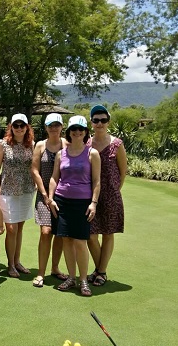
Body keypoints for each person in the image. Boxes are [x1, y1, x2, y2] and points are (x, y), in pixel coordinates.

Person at [48, 115, 101, 297]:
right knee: (66, 240)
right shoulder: (61, 154)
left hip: (82, 203)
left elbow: (96, 181)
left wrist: (93, 203)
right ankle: (71, 277)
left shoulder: (91, 153)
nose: (77, 132)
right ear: (69, 132)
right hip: (62, 201)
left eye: (81, 129)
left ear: (86, 132)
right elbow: (55, 178)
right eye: (73, 129)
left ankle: (83, 279)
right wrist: (50, 198)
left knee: (80, 241)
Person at [87, 105, 127, 287]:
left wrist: (114, 190)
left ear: (108, 122)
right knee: (91, 235)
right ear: (92, 123)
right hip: (90, 196)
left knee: (108, 233)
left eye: (103, 120)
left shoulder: (117, 144)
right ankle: (100, 269)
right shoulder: (87, 143)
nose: (100, 123)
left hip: (111, 195)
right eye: (96, 120)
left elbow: (123, 171)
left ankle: (100, 272)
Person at [0, 113, 36, 278]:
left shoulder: (31, 144)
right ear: (11, 127)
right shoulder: (3, 144)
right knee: (11, 228)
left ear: (27, 127)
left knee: (20, 227)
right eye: (15, 125)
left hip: (26, 190)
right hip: (7, 191)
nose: (19, 128)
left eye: (22, 125)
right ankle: (10, 264)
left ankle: (17, 261)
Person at [31, 113, 68, 287]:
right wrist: (45, 194)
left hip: (62, 195)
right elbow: (34, 170)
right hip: (44, 195)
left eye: (57, 125)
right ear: (45, 128)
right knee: (46, 233)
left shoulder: (67, 145)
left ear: (62, 127)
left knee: (60, 233)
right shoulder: (40, 145)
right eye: (50, 125)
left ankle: (55, 268)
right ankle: (40, 273)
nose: (54, 128)